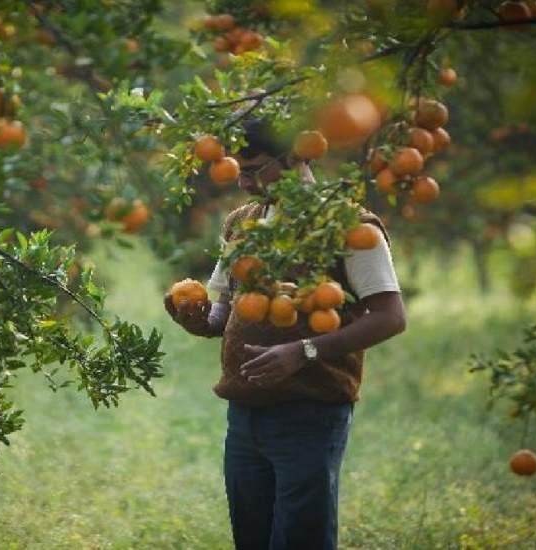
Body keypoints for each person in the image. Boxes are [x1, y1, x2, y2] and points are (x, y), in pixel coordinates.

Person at [164, 119, 406, 550]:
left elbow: (390, 317)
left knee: (299, 540)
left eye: (254, 169)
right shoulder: (242, 223)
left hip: (309, 412)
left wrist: (305, 350)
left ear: (296, 155)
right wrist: (197, 319)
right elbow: (225, 310)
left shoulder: (348, 225)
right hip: (245, 412)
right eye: (238, 169)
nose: (243, 182)